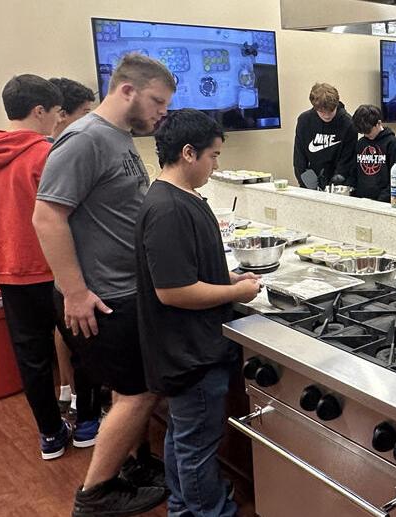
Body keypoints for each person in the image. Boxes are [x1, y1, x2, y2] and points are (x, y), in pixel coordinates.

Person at [33, 52, 174, 515]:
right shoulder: (85, 139)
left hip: (123, 291)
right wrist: (74, 292)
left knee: (129, 389)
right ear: (127, 90)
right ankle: (95, 494)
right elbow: (47, 216)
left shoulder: (119, 137)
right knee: (140, 394)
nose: (161, 113)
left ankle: (131, 466)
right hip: (103, 298)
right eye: (157, 101)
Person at [136, 108, 261, 516]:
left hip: (185, 348)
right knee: (197, 445)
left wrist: (227, 276)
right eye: (214, 156)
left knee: (182, 436)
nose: (216, 164)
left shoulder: (182, 198)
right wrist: (234, 291)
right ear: (189, 153)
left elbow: (189, 266)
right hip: (190, 352)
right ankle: (209, 511)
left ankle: (182, 507)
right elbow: (174, 290)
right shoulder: (168, 208)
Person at [0, 74, 74, 460]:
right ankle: (86, 424)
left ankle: (49, 434)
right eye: (55, 113)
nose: (57, 121)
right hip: (54, 272)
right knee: (83, 347)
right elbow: (64, 217)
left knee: (31, 356)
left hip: (7, 271)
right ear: (39, 110)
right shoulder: (46, 154)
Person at [48, 77, 97, 417]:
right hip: (67, 263)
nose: (89, 120)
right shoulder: (64, 152)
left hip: (43, 267)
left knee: (62, 329)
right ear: (61, 114)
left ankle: (68, 390)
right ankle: (84, 402)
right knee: (76, 330)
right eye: (85, 113)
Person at [293, 82, 358, 189]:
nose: (327, 115)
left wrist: (334, 185)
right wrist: (307, 183)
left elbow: (347, 161)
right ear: (315, 107)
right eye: (322, 112)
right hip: (310, 182)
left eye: (331, 111)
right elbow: (299, 158)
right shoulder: (304, 121)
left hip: (338, 185)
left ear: (336, 105)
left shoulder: (348, 124)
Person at [351, 104, 396, 202]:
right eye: (364, 133)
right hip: (361, 199)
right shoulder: (361, 143)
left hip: (384, 201)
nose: (367, 135)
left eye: (369, 131)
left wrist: (381, 200)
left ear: (378, 123)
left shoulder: (393, 144)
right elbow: (354, 172)